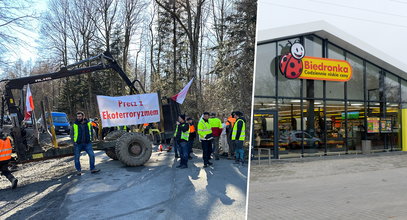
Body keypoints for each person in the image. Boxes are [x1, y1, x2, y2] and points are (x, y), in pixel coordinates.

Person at [71, 111, 100, 176]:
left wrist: (91, 139)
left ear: (83, 116)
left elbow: (92, 132)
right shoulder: (74, 125)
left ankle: (92, 168)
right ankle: (79, 170)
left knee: (92, 155)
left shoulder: (88, 124)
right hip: (78, 144)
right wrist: (74, 142)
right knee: (77, 158)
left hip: (87, 143)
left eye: (80, 116)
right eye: (77, 116)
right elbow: (71, 134)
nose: (78, 118)